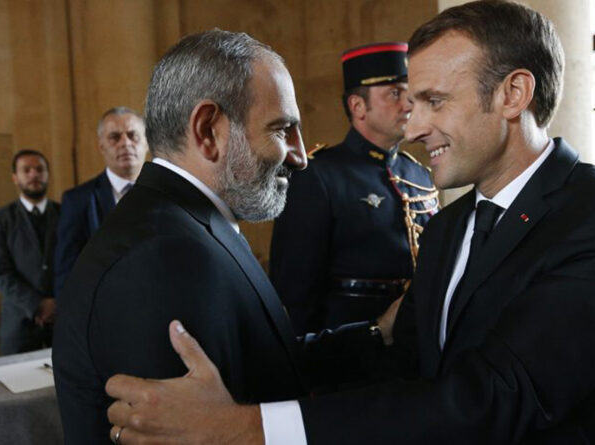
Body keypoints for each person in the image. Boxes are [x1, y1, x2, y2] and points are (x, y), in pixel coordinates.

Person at [105, 2, 595, 444]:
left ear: (513, 94)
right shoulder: (452, 226)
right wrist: (239, 371)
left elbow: (496, 398)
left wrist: (246, 429)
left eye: (434, 101)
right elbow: (402, 358)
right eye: (409, 101)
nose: (414, 127)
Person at [52, 30, 393, 444]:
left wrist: (378, 334)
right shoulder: (163, 257)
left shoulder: (190, 223)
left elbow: (263, 361)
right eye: (282, 129)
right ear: (208, 130)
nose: (301, 156)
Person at [270, 41, 438, 334]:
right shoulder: (318, 175)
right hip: (351, 347)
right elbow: (295, 292)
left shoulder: (419, 173)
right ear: (358, 106)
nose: (408, 104)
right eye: (394, 93)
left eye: (409, 93)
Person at [52, 107, 148, 297]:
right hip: (105, 307)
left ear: (146, 143)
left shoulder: (169, 193)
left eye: (133, 135)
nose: (125, 143)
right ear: (102, 147)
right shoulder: (77, 200)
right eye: (114, 137)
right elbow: (67, 271)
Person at [0, 149, 59, 354]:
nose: (34, 174)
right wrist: (38, 305)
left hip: (62, 320)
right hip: (19, 324)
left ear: (48, 175)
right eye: (26, 170)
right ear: (15, 178)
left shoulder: (65, 213)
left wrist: (58, 303)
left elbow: (75, 263)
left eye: (40, 169)